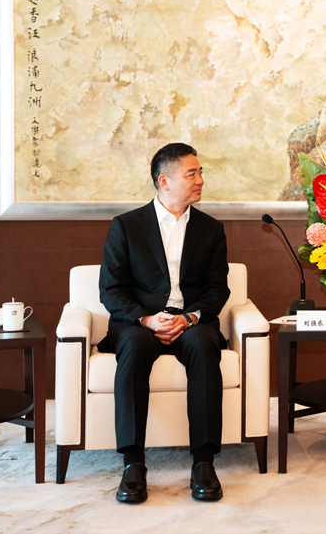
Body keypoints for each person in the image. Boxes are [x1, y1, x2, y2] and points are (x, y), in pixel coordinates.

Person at [99, 143, 230, 503]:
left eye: (200, 172)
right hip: (140, 322)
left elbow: (218, 289)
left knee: (204, 344)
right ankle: (133, 463)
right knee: (132, 346)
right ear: (165, 181)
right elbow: (111, 289)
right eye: (192, 174)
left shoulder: (211, 229)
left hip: (190, 321)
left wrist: (188, 318)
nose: (200, 180)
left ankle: (203, 462)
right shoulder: (126, 226)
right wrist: (145, 319)